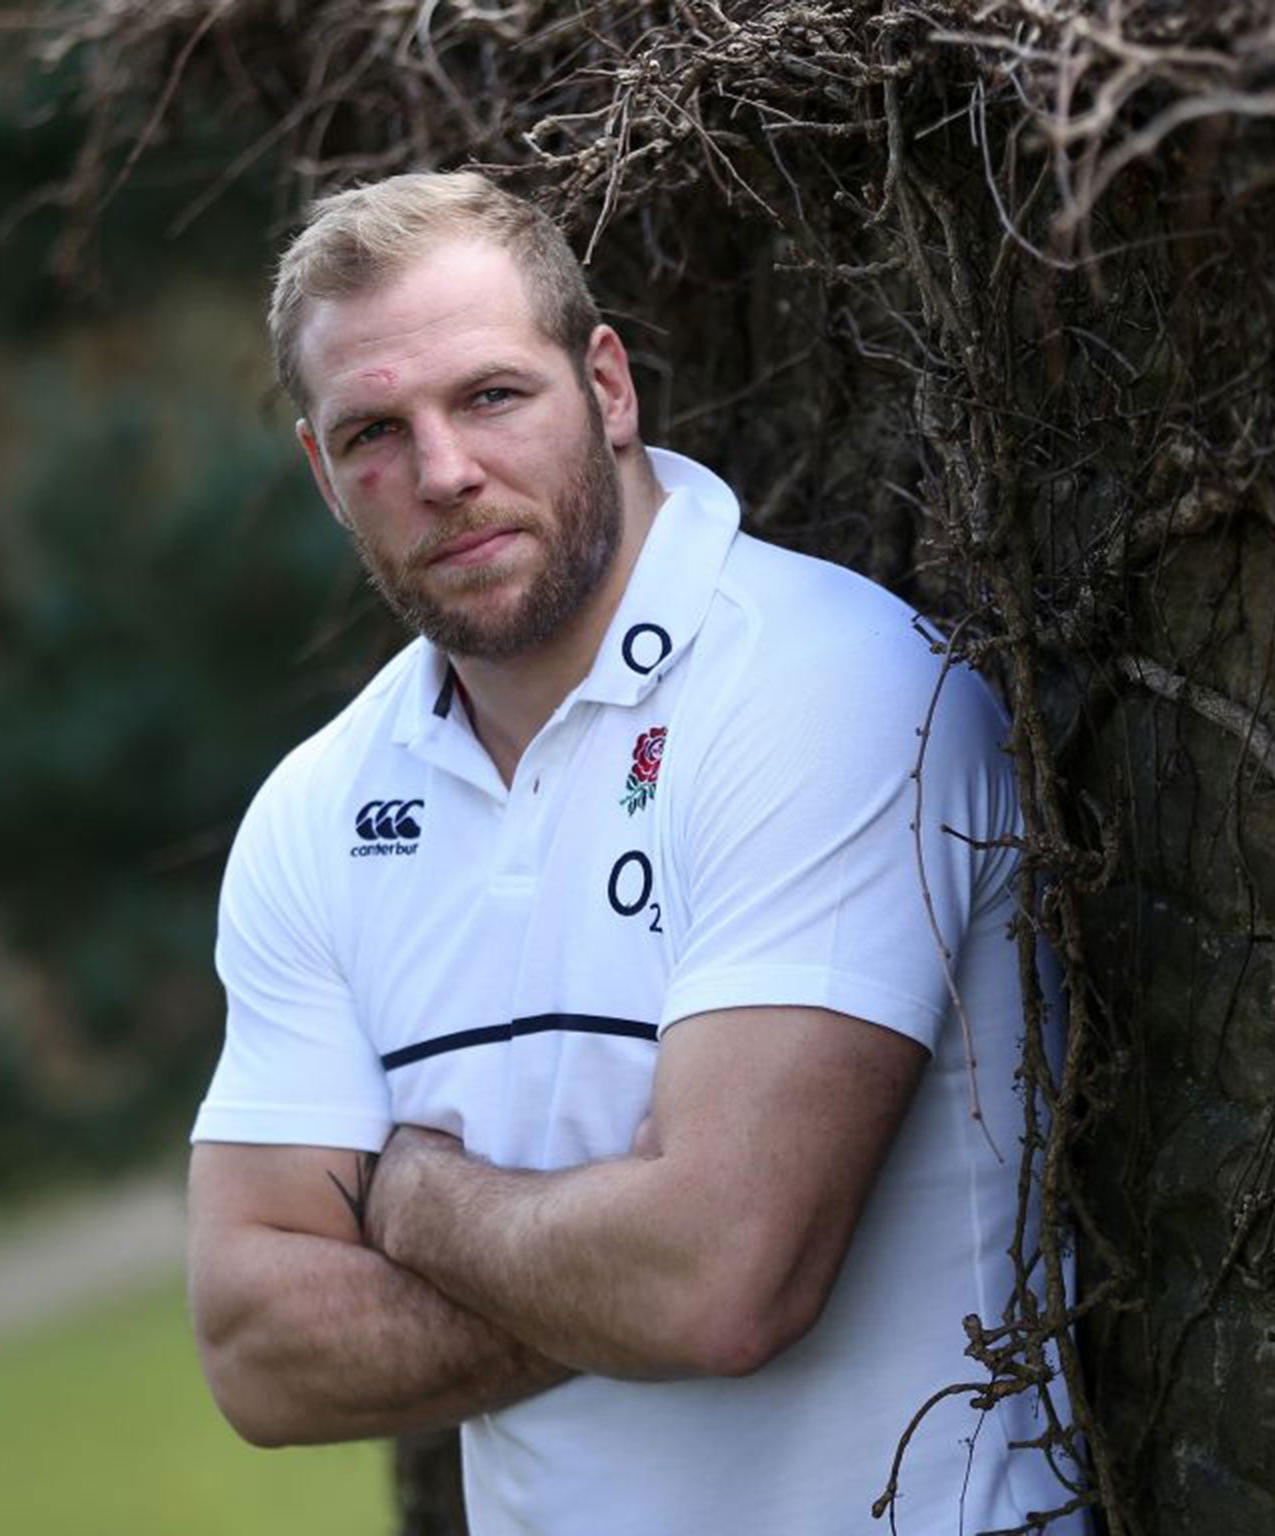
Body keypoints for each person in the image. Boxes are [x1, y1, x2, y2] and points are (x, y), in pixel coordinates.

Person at [187, 168, 1081, 1536]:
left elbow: (724, 1284)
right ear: (322, 470)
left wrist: (413, 1202)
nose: (442, 473)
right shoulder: (319, 812)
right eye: (374, 429)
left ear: (605, 385)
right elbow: (256, 1350)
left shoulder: (826, 691)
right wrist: (616, 1257)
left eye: (492, 396)